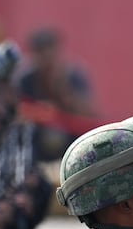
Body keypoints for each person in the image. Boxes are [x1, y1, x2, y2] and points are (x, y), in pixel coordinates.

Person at [17, 28, 98, 161]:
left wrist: (63, 91)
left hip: (70, 139)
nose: (47, 59)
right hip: (35, 142)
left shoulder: (73, 75)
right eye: (41, 53)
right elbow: (15, 112)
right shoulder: (25, 79)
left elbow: (89, 115)